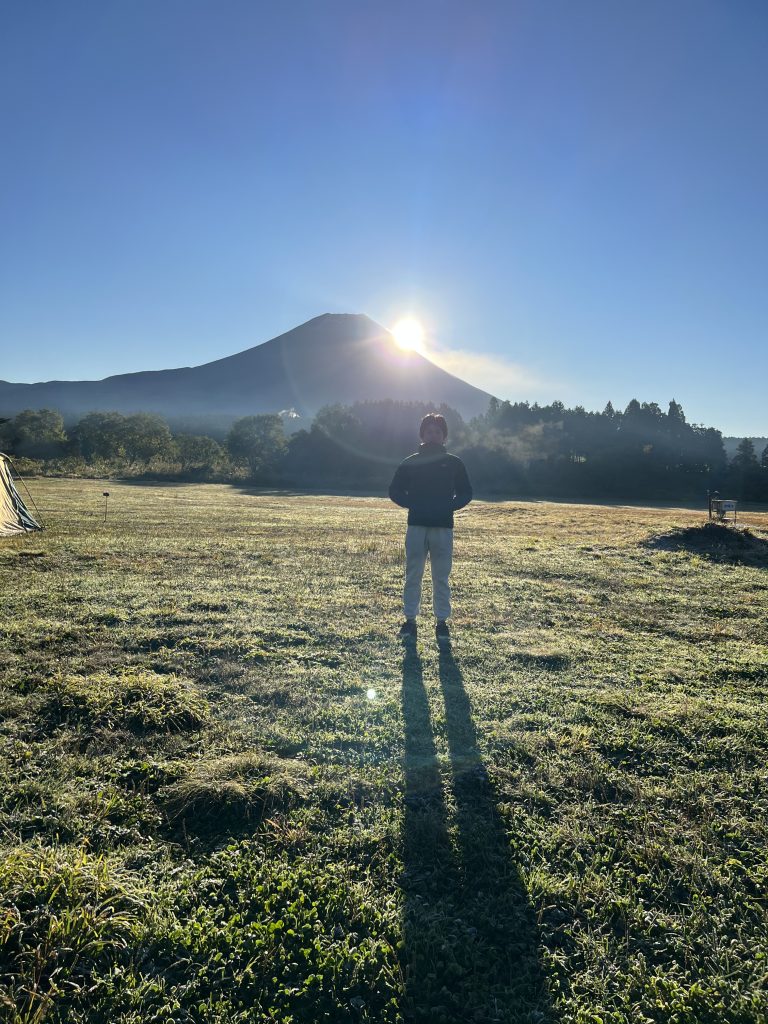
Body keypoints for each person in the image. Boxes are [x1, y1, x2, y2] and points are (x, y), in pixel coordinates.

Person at [388, 413, 473, 643]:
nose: (433, 435)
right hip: (416, 525)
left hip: (442, 527)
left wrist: (449, 506)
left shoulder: (454, 463)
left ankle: (442, 623)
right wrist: (412, 504)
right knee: (413, 574)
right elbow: (394, 490)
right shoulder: (411, 461)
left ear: (444, 436)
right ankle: (410, 621)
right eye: (429, 431)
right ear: (422, 435)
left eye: (438, 432)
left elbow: (466, 492)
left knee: (441, 576)